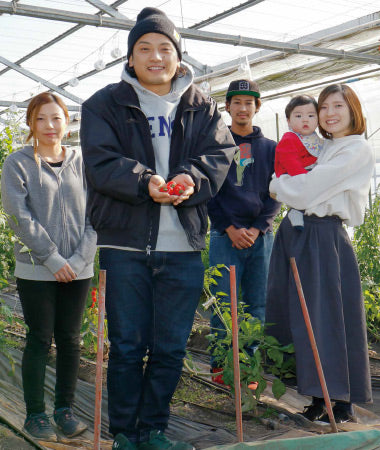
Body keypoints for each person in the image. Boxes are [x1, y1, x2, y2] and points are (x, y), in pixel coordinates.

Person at [80, 7, 236, 450]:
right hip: (125, 244)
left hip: (182, 245)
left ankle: (154, 429)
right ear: (130, 58)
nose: (154, 56)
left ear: (178, 56)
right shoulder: (104, 104)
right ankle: (124, 433)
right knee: (128, 346)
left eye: (164, 48)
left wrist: (190, 178)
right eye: (143, 48)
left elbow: (219, 154)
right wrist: (144, 182)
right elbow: (100, 162)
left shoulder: (200, 104)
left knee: (170, 347)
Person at [265, 83, 374, 423]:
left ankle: (339, 401)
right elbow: (299, 186)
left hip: (323, 236)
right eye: (324, 107)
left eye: (338, 106)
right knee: (300, 315)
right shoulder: (322, 146)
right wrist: (289, 186)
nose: (329, 114)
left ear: (353, 110)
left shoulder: (355, 149)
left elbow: (305, 190)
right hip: (298, 233)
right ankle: (317, 396)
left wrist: (275, 185)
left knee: (328, 317)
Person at [1, 92, 97, 441]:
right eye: (41, 118)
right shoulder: (18, 163)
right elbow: (19, 217)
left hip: (78, 267)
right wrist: (54, 260)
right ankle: (35, 415)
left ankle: (65, 410)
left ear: (67, 121)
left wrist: (79, 259)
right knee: (40, 337)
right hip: (37, 269)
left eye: (56, 118)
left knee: (71, 339)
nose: (49, 126)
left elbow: (94, 215)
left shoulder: (81, 162)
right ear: (30, 123)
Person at [207, 79, 281, 384]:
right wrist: (230, 228)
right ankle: (221, 364)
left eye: (248, 103)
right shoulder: (215, 146)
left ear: (257, 107)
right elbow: (209, 192)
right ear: (227, 107)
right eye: (236, 102)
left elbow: (276, 193)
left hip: (259, 237)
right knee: (223, 300)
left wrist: (256, 227)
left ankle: (249, 365)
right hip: (226, 237)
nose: (242, 108)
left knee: (257, 302)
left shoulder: (270, 148)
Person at [275, 95, 323, 229]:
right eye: (298, 116)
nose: (305, 119)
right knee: (298, 200)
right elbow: (291, 163)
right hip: (293, 174)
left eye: (311, 115)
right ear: (288, 121)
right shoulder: (289, 139)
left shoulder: (316, 139)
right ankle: (295, 212)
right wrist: (306, 178)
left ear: (318, 120)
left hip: (309, 172)